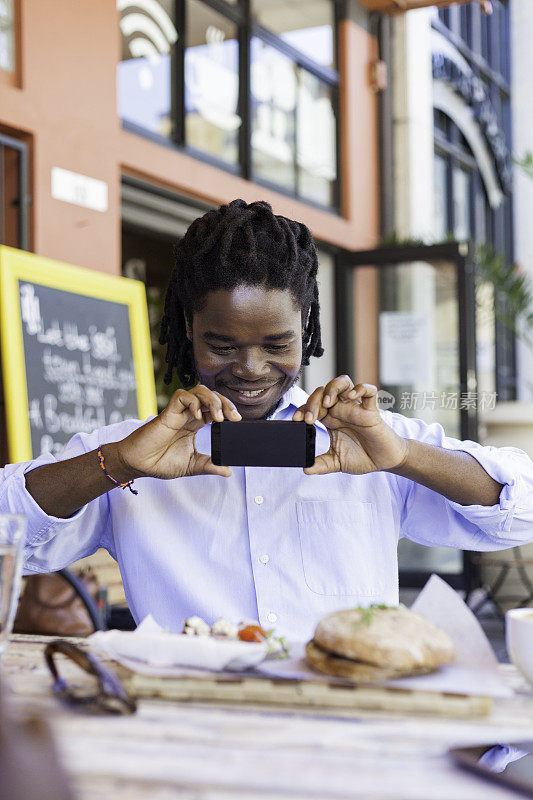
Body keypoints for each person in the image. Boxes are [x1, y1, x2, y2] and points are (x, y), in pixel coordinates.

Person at [2, 199, 533, 641]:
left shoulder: (370, 438)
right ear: (189, 327)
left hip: (346, 739)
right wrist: (115, 464)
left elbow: (522, 510)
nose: (250, 369)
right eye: (222, 344)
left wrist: (405, 457)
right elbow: (8, 533)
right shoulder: (133, 451)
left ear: (304, 326)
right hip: (193, 738)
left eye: (277, 344)